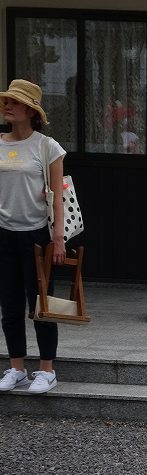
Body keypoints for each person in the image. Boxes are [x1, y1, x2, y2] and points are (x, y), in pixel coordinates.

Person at [0, 79, 66, 395]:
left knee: (41, 304)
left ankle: (46, 370)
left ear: (30, 110)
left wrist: (59, 239)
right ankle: (16, 367)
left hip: (37, 236)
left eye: (13, 102)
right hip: (4, 234)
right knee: (10, 305)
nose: (7, 106)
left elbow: (58, 197)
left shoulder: (47, 146)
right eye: (6, 101)